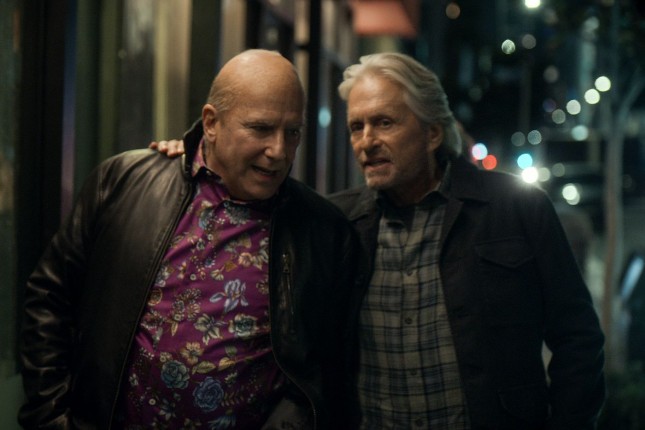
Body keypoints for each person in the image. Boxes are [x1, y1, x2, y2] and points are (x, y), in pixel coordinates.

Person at [151, 52, 606, 429]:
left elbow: (578, 339)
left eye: (385, 123)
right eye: (357, 127)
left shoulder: (514, 209)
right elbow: (244, 185)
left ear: (432, 132)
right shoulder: (335, 223)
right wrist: (190, 156)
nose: (366, 142)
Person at [18, 49, 366, 429]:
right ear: (212, 123)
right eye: (261, 129)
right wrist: (50, 415)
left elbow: (328, 377)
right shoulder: (124, 182)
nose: (279, 151)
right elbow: (48, 298)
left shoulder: (324, 233)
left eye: (293, 132)